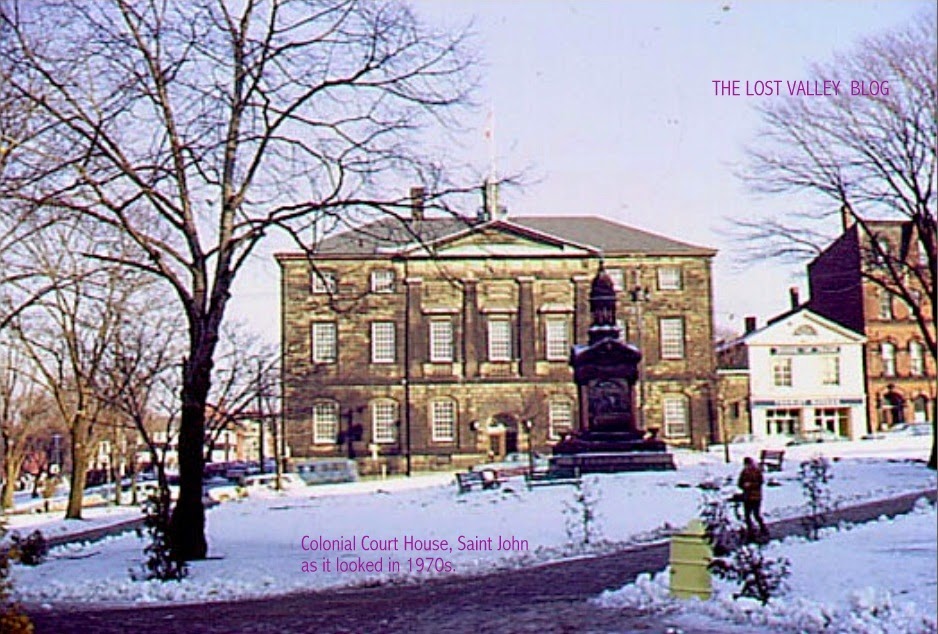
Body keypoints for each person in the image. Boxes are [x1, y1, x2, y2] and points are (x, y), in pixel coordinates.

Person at [737, 456, 768, 540]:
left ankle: (763, 528)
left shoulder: (757, 471)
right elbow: (739, 483)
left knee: (756, 514)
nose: (747, 466)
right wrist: (743, 485)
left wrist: (750, 485)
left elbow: (760, 482)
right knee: (747, 515)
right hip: (747, 496)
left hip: (755, 497)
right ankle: (750, 531)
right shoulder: (744, 472)